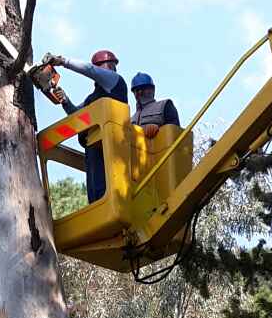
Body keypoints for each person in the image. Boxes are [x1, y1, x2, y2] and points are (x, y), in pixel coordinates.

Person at [47, 49, 128, 203]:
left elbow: (90, 70)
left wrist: (63, 61)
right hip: (93, 144)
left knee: (107, 183)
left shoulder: (115, 81)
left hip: (110, 142)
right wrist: (65, 100)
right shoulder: (93, 98)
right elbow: (76, 115)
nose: (111, 68)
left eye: (111, 66)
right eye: (109, 65)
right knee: (95, 189)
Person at [131, 72, 180, 139]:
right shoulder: (131, 120)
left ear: (153, 89)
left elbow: (175, 132)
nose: (140, 92)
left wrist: (159, 129)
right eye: (136, 90)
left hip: (162, 148)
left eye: (143, 88)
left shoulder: (164, 105)